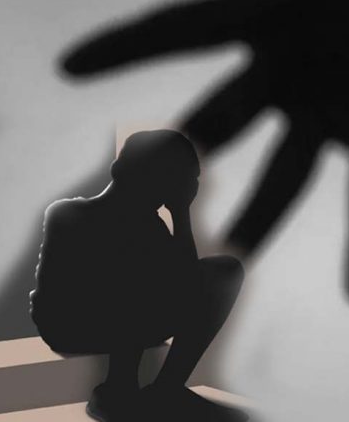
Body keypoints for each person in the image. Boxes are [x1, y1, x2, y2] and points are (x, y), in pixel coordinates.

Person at [29, 129, 247, 421]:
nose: (182, 190)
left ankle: (167, 388)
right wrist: (179, 214)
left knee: (224, 271)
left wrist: (181, 214)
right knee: (134, 274)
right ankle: (118, 391)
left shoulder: (151, 226)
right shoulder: (69, 213)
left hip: (123, 319)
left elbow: (187, 285)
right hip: (70, 323)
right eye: (177, 180)